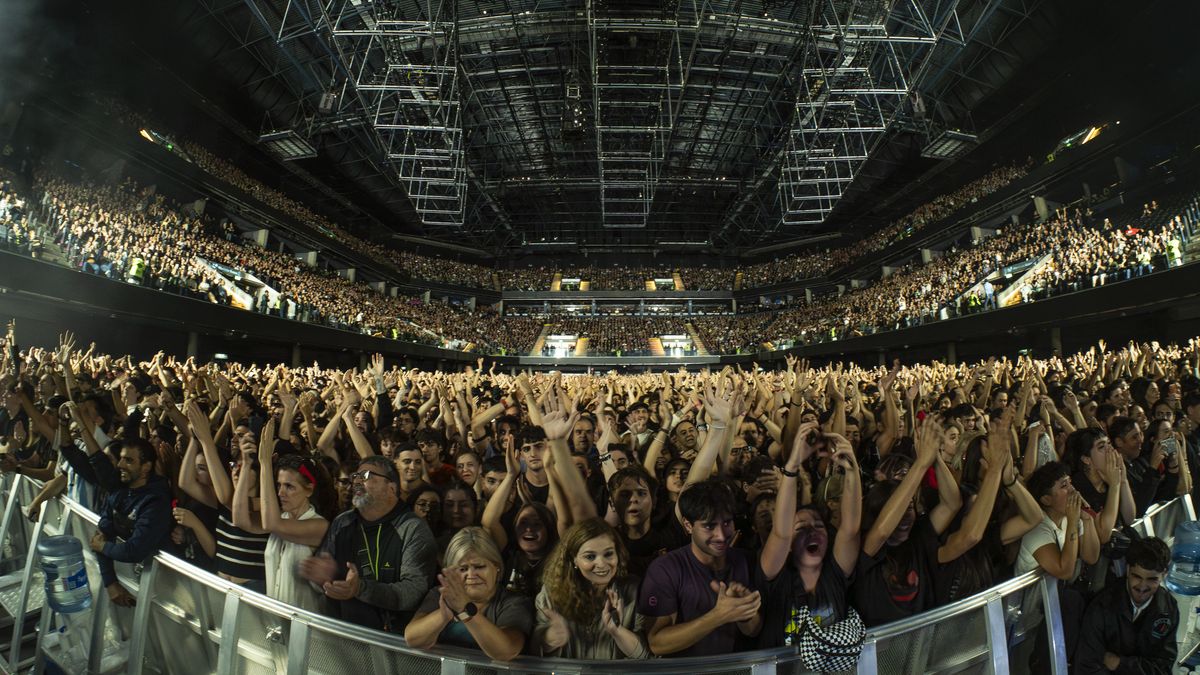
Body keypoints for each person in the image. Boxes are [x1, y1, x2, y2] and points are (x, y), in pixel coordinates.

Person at [299, 455, 436, 633]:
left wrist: (360, 589)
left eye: (366, 476)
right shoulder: (343, 522)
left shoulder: (413, 529)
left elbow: (413, 592)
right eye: (355, 476)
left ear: (391, 488)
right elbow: (322, 580)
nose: (356, 481)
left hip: (389, 641)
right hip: (338, 633)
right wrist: (322, 577)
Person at [757, 424, 861, 647]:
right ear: (789, 545)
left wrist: (852, 471)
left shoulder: (835, 573)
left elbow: (850, 528)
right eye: (801, 528)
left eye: (818, 526)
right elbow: (781, 533)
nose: (812, 530)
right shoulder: (776, 578)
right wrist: (792, 466)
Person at [638, 478, 762, 657]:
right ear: (688, 526)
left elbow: (754, 631)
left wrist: (744, 611)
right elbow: (657, 643)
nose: (721, 535)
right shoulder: (665, 570)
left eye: (726, 523)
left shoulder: (745, 560)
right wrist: (717, 616)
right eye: (709, 526)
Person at [405, 527, 532, 661]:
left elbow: (506, 651)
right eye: (463, 569)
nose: (471, 575)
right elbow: (412, 639)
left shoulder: (514, 603)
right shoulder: (439, 594)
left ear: (497, 568)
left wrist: (465, 611)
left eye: (479, 567)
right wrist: (443, 615)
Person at [533, 518, 648, 658]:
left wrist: (617, 631)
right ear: (574, 559)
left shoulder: (634, 590)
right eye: (590, 556)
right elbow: (533, 651)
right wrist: (550, 637)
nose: (601, 564)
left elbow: (645, 656)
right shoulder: (551, 593)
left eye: (608, 554)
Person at [253, 421, 332, 612]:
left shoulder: (319, 525)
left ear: (309, 490)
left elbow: (271, 524)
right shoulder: (282, 517)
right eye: (279, 485)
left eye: (289, 486)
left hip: (303, 626)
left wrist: (265, 465)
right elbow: (240, 519)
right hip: (274, 621)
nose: (281, 492)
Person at [89, 438, 173, 607]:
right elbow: (102, 534)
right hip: (128, 583)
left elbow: (135, 550)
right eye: (121, 458)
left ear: (146, 467)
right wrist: (110, 582)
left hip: (165, 590)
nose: (120, 464)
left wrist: (104, 547)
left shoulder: (156, 502)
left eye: (128, 460)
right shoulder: (119, 490)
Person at [1074, 537, 1177, 674]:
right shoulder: (1101, 607)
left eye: (1152, 579)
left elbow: (1163, 668)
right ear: (1128, 570)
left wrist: (1119, 663)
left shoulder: (1168, 608)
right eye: (1137, 577)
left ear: (1163, 575)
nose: (1142, 587)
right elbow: (1086, 667)